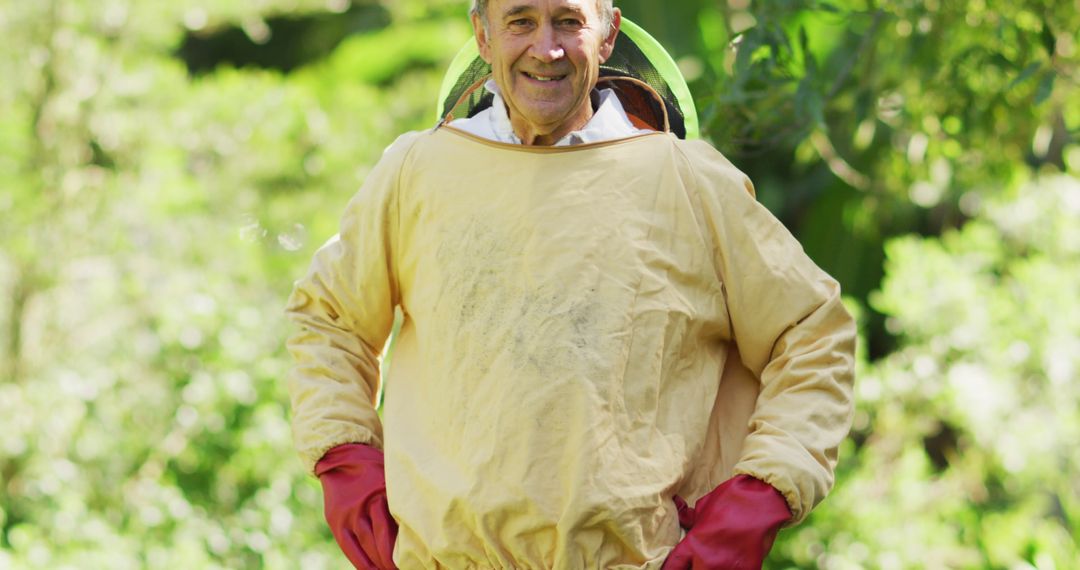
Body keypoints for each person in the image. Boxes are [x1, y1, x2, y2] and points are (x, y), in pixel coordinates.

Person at [285, 0, 856, 568]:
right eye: (520, 21)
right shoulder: (416, 171)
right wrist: (349, 470)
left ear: (607, 35)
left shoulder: (688, 180)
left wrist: (753, 502)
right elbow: (329, 320)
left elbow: (811, 334)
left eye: (568, 21)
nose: (546, 48)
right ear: (482, 35)